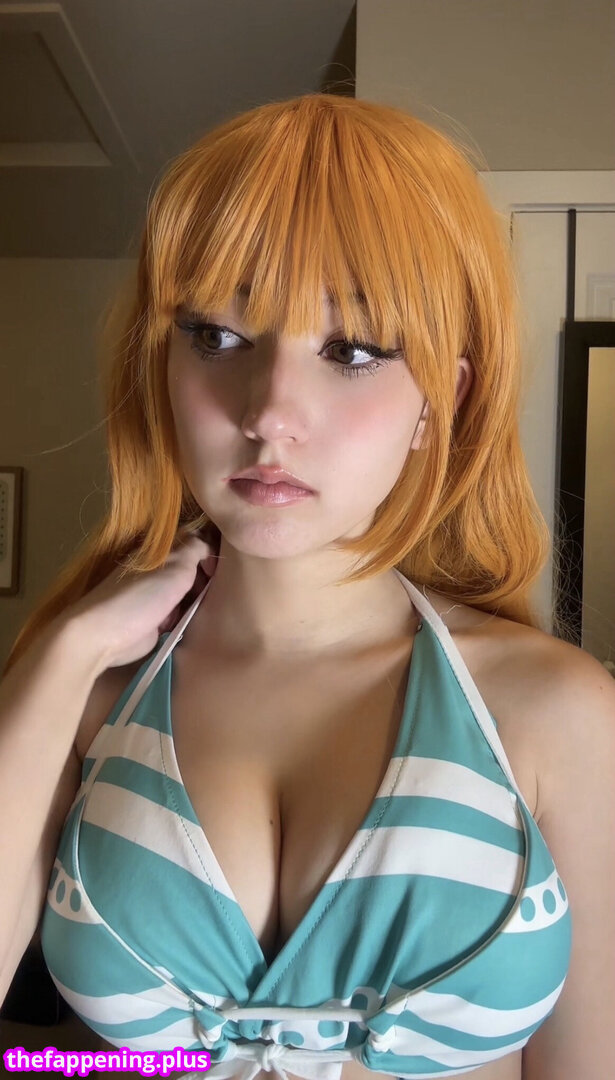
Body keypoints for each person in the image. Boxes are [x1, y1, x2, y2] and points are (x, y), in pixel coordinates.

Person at [1, 93, 614, 1080]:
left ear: (441, 399)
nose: (270, 414)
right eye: (217, 337)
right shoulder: (88, 693)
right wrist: (62, 654)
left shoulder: (554, 712)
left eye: (353, 351)